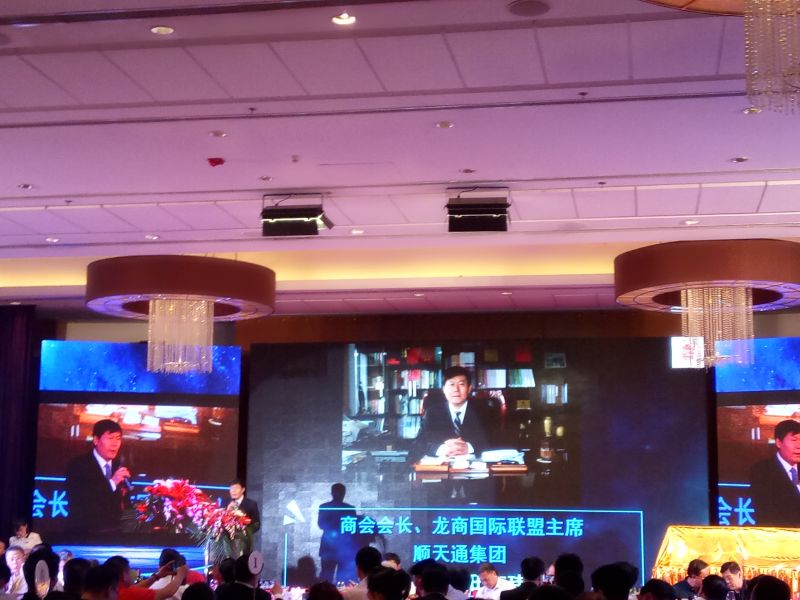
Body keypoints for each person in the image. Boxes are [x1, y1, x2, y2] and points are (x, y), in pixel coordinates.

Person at [65, 420, 131, 532]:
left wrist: (133, 528)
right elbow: (83, 502)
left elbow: (126, 503)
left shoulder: (119, 466)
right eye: (110, 438)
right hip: (84, 533)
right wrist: (113, 482)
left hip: (116, 534)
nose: (115, 444)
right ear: (96, 440)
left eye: (118, 438)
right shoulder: (78, 465)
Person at [414, 367, 489, 459]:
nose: (456, 389)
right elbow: (419, 443)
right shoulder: (432, 413)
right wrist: (443, 449)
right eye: (451, 384)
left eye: (461, 384)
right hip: (443, 466)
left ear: (469, 388)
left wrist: (468, 448)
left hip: (475, 466)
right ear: (444, 389)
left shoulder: (484, 411)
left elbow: (495, 442)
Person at [748, 419, 800, 526]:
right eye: (794, 440)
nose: (799, 446)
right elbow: (765, 512)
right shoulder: (761, 471)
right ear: (779, 443)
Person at [318, 484, 358, 584]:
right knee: (330, 577)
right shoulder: (348, 508)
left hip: (340, 547)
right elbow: (321, 524)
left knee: (338, 577)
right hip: (331, 547)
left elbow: (352, 527)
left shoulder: (326, 507)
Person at [104, 556, 186, 600]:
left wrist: (157, 576)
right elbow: (167, 593)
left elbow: (135, 588)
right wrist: (181, 575)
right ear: (123, 575)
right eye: (128, 571)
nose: (130, 574)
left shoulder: (111, 590)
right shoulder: (129, 593)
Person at [227, 480, 260, 556]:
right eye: (231, 488)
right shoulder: (226, 503)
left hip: (243, 543)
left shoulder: (251, 504)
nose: (233, 491)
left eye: (236, 488)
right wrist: (227, 511)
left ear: (243, 490)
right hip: (227, 544)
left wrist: (244, 531)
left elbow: (256, 524)